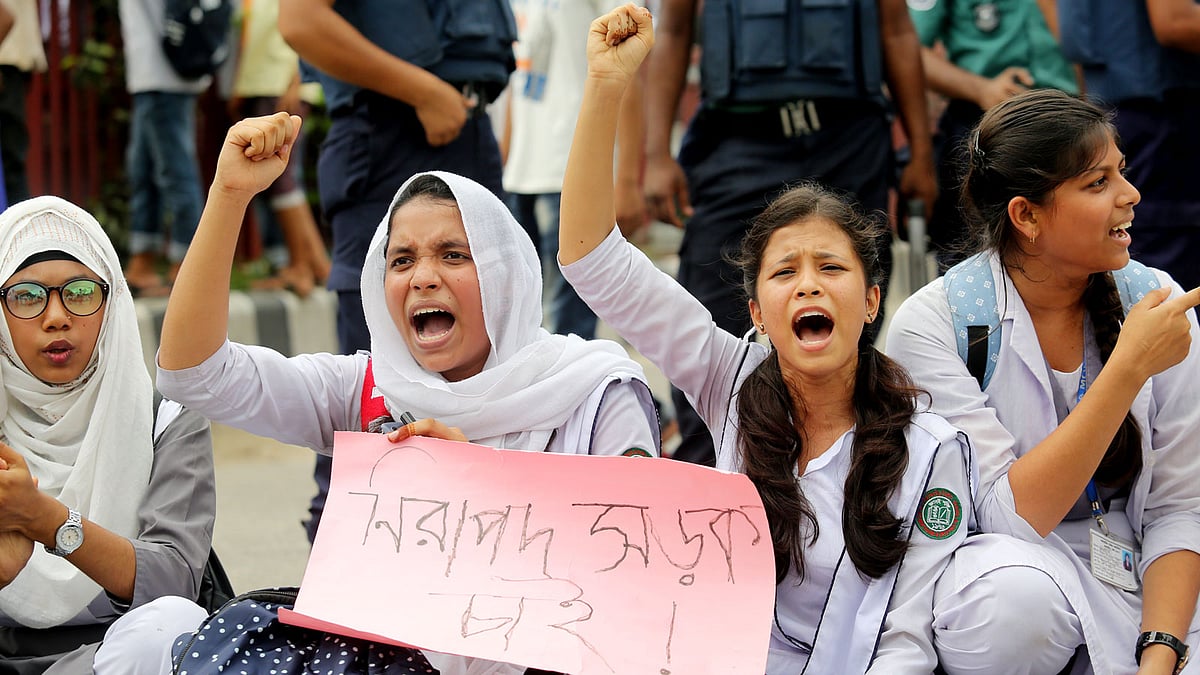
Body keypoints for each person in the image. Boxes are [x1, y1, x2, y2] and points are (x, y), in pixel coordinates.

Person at [143, 112, 660, 673]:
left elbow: (640, 574)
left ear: (506, 274)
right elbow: (192, 372)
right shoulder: (369, 390)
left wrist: (481, 487)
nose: (423, 277)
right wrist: (229, 195)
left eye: (453, 255)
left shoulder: (596, 392)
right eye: (402, 260)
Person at [559, 8, 972, 671]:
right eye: (785, 271)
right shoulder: (730, 378)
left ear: (873, 300)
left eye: (831, 267)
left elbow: (908, 638)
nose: (808, 286)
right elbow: (591, 258)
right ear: (756, 308)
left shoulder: (930, 447)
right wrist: (607, 86)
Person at [886, 89, 1200, 674]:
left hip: (1148, 567)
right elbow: (1011, 518)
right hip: (1013, 566)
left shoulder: (1156, 301)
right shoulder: (937, 323)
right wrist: (1128, 368)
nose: (1130, 197)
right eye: (1097, 183)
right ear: (1026, 215)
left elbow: (1181, 504)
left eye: (1121, 173)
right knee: (1011, 609)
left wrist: (1161, 653)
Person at [642, 0, 939, 467]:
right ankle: (707, 474)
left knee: (847, 322)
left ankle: (846, 473)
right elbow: (674, 30)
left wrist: (921, 151)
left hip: (848, 139)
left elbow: (897, 30)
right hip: (739, 139)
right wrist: (656, 153)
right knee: (708, 318)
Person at [278, 0, 516, 542]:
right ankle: (337, 600)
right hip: (391, 133)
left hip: (465, 129)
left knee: (488, 393)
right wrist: (423, 91)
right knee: (373, 418)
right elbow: (299, 20)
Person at [0, 197, 216, 673]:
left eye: (79, 292)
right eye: (27, 296)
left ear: (112, 300)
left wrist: (49, 523)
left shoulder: (167, 418)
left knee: (171, 624)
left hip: (118, 657)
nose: (56, 316)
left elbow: (174, 582)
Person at [502, 0, 646, 340]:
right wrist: (506, 162)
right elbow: (517, 80)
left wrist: (626, 180)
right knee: (517, 320)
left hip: (570, 168)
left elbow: (627, 74)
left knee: (567, 326)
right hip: (521, 174)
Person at [907, 0, 1078, 265]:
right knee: (976, 253)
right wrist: (980, 89)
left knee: (1074, 246)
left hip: (1070, 122)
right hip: (985, 123)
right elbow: (908, 48)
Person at [1055, 0, 1200, 292]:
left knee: (1126, 256)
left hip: (1111, 102)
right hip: (1163, 111)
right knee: (1165, 277)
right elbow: (1175, 21)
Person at [229, 0, 330, 298]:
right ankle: (317, 265)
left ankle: (303, 266)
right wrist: (240, 85)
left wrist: (295, 81)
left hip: (283, 87)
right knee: (279, 179)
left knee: (283, 177)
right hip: (259, 86)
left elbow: (310, 26)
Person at [118, 0, 212, 296]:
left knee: (175, 172)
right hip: (154, 75)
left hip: (162, 75)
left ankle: (187, 267)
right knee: (144, 170)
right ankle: (143, 262)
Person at [0, 0, 46, 206]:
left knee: (11, 165)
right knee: (12, 165)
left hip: (8, 57)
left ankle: (21, 234)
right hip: (13, 54)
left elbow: (5, 18)